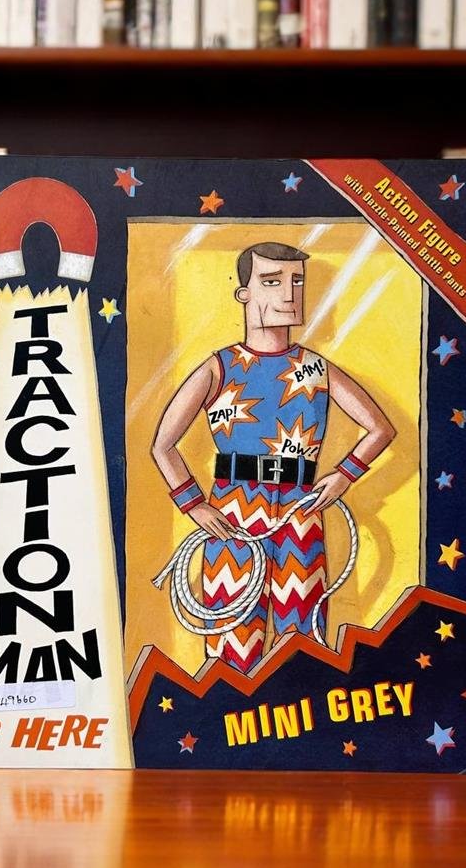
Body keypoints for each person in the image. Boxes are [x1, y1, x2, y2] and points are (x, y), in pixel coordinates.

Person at [151, 242, 395, 674]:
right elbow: (163, 445)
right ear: (243, 293)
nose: (288, 293)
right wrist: (194, 505)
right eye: (271, 281)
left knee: (302, 647)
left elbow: (380, 428)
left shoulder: (316, 368)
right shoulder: (219, 367)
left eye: (297, 281)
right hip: (233, 513)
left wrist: (344, 476)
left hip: (301, 511)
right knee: (231, 649)